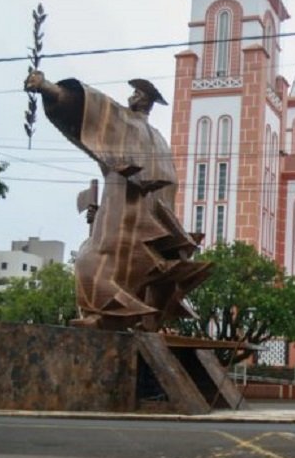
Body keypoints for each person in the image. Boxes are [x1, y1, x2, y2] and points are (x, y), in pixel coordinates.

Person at [23, 71, 211, 332]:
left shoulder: (127, 122)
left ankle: (104, 314)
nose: (131, 97)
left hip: (126, 202)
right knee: (120, 260)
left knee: (92, 258)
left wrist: (47, 88)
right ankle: (130, 316)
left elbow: (91, 110)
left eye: (137, 93)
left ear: (145, 101)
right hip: (143, 211)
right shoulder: (159, 139)